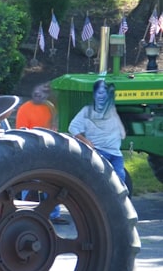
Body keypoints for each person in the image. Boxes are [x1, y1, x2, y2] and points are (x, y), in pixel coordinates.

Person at [16, 82, 64, 223]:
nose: (39, 94)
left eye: (43, 92)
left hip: (49, 148)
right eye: (37, 91)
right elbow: (22, 131)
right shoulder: (24, 109)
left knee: (51, 182)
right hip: (31, 148)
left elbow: (54, 126)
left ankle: (54, 214)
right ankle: (25, 212)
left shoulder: (50, 107)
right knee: (30, 181)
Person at [69, 78, 127, 185]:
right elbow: (73, 127)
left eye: (105, 93)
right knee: (100, 181)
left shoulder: (112, 110)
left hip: (115, 153)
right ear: (94, 95)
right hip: (99, 151)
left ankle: (116, 201)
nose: (102, 96)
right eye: (99, 92)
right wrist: (86, 142)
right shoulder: (87, 111)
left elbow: (122, 133)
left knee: (120, 179)